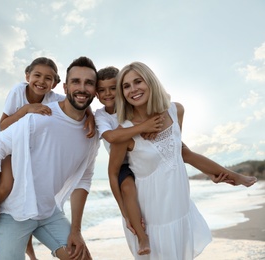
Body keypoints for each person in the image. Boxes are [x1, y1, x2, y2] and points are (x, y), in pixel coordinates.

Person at [106, 62, 257, 259]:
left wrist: (222, 174)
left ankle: (236, 176)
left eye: (138, 81)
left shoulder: (175, 111)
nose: (133, 89)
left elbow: (181, 153)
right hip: (153, 213)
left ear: (150, 82)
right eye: (126, 86)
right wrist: (126, 214)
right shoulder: (123, 132)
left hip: (179, 203)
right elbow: (114, 173)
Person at [0, 57, 96, 259]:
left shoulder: (89, 130)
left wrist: (90, 115)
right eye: (76, 82)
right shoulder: (32, 110)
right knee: (6, 185)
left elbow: (83, 179)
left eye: (89, 83)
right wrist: (26, 110)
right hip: (13, 210)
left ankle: (30, 250)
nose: (82, 87)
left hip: (48, 212)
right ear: (66, 86)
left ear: (54, 84)